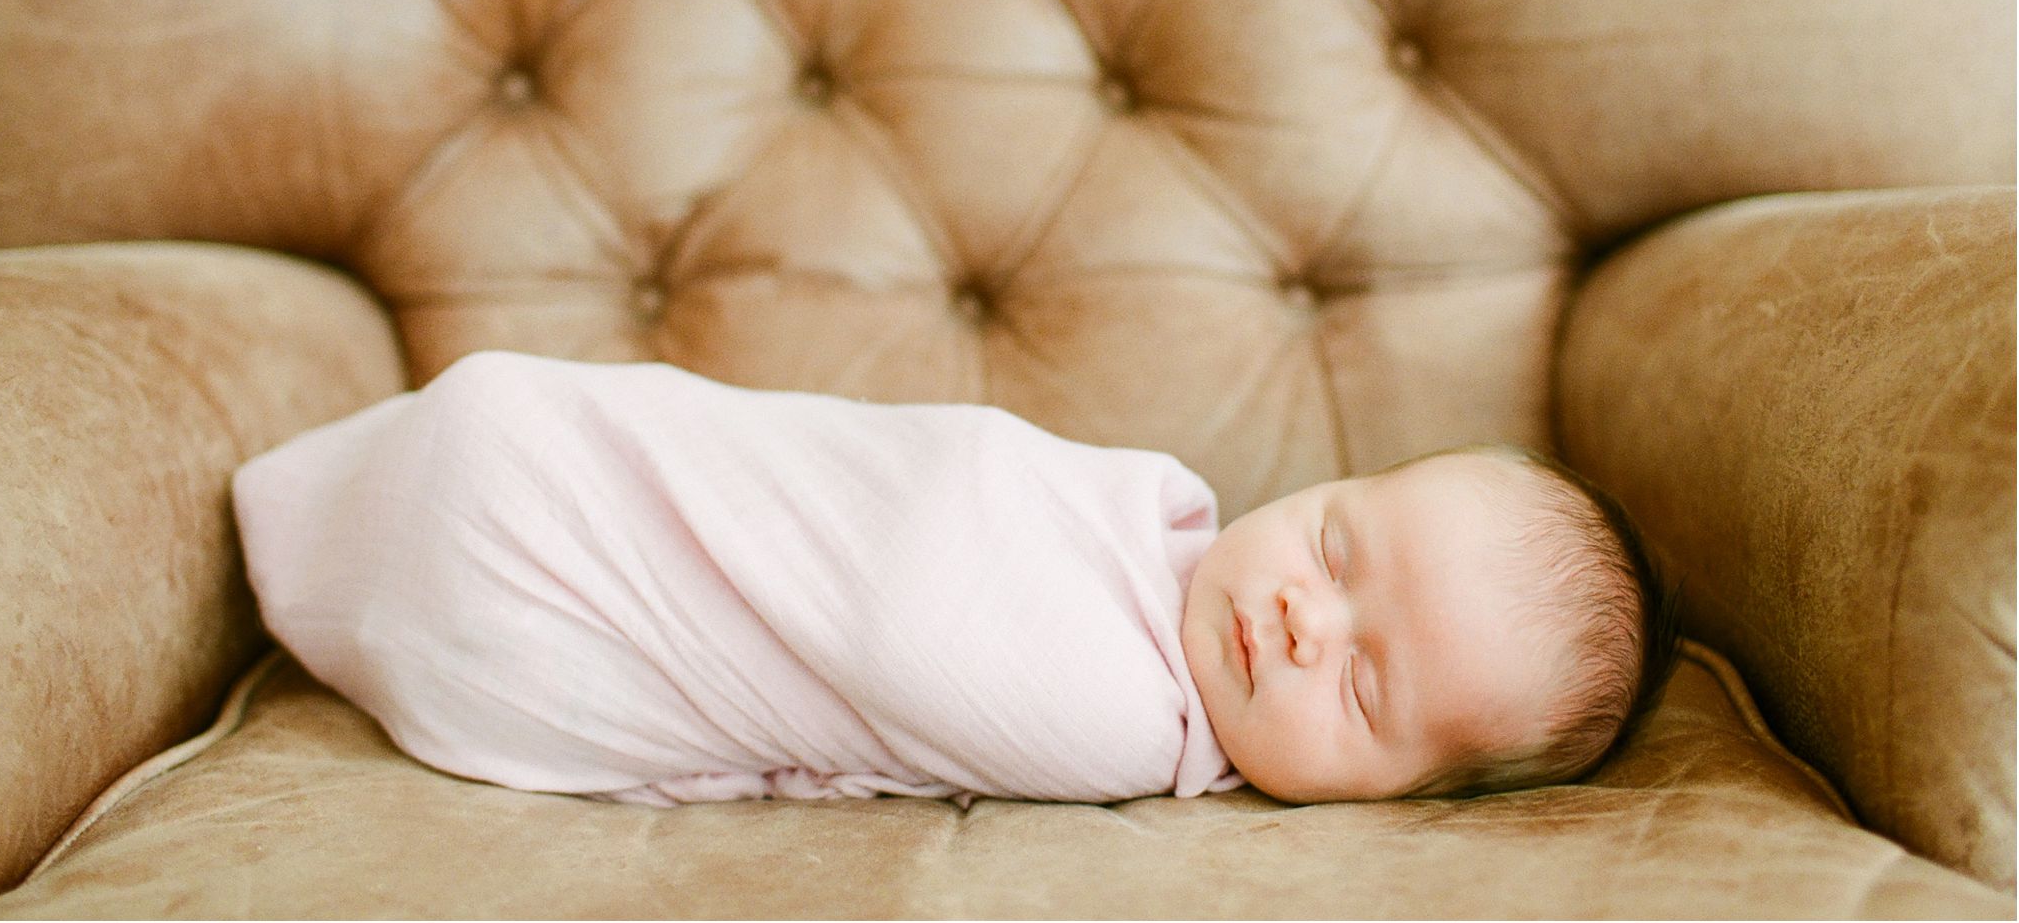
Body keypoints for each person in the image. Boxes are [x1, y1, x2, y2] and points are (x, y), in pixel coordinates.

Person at [234, 351, 1677, 807]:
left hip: (534, 594)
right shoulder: (1159, 520)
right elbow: (895, 468)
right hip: (569, 442)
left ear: (1397, 802)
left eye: (1365, 685)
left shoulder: (1120, 714)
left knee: (498, 489)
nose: (1306, 611)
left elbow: (898, 601)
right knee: (504, 422)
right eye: (1340, 542)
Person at [1184, 444, 1681, 802]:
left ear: (1405, 795)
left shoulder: (1142, 721)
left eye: (1359, 687)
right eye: (1331, 552)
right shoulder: (1167, 502)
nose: (1305, 621)